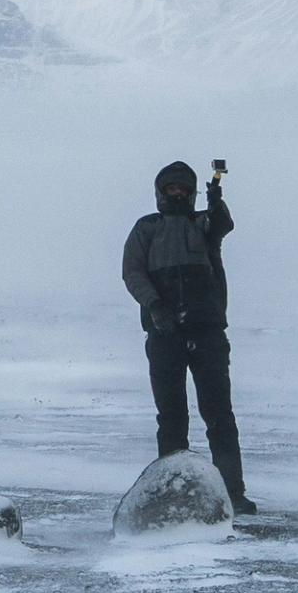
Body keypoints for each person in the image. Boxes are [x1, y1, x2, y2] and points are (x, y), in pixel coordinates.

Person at [121, 158, 253, 514]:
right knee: (172, 416)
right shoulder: (146, 228)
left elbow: (223, 224)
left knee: (219, 415)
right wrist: (155, 306)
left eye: (183, 188)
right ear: (160, 193)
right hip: (164, 335)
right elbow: (132, 272)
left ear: (192, 192)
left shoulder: (203, 224)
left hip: (207, 332)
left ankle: (232, 493)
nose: (177, 193)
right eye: (170, 188)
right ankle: (171, 494)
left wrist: (215, 200)